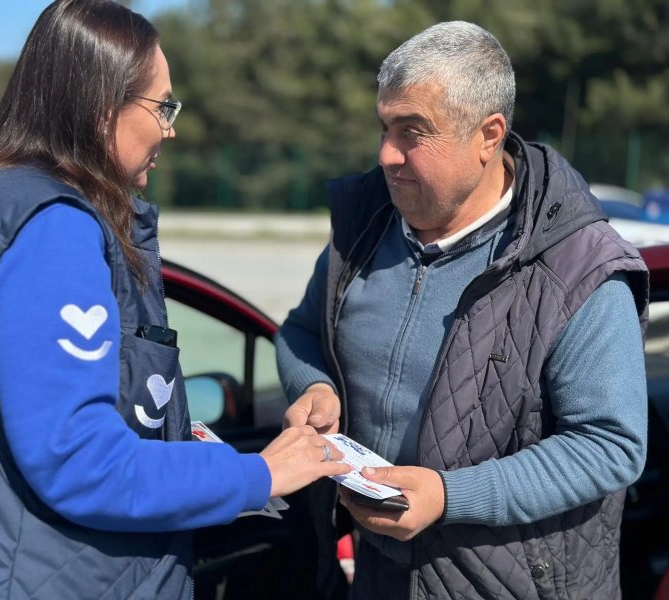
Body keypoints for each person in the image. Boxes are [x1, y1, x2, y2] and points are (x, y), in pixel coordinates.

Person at [0, 1, 351, 598]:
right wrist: (258, 472)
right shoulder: (55, 227)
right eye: (162, 106)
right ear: (101, 107)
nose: (171, 128)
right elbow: (78, 460)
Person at [277, 20, 649, 600]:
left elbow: (610, 445)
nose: (385, 155)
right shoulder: (363, 226)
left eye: (412, 132)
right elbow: (300, 332)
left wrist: (448, 497)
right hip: (375, 575)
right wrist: (315, 386)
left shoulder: (579, 266)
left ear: (488, 135)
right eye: (383, 127)